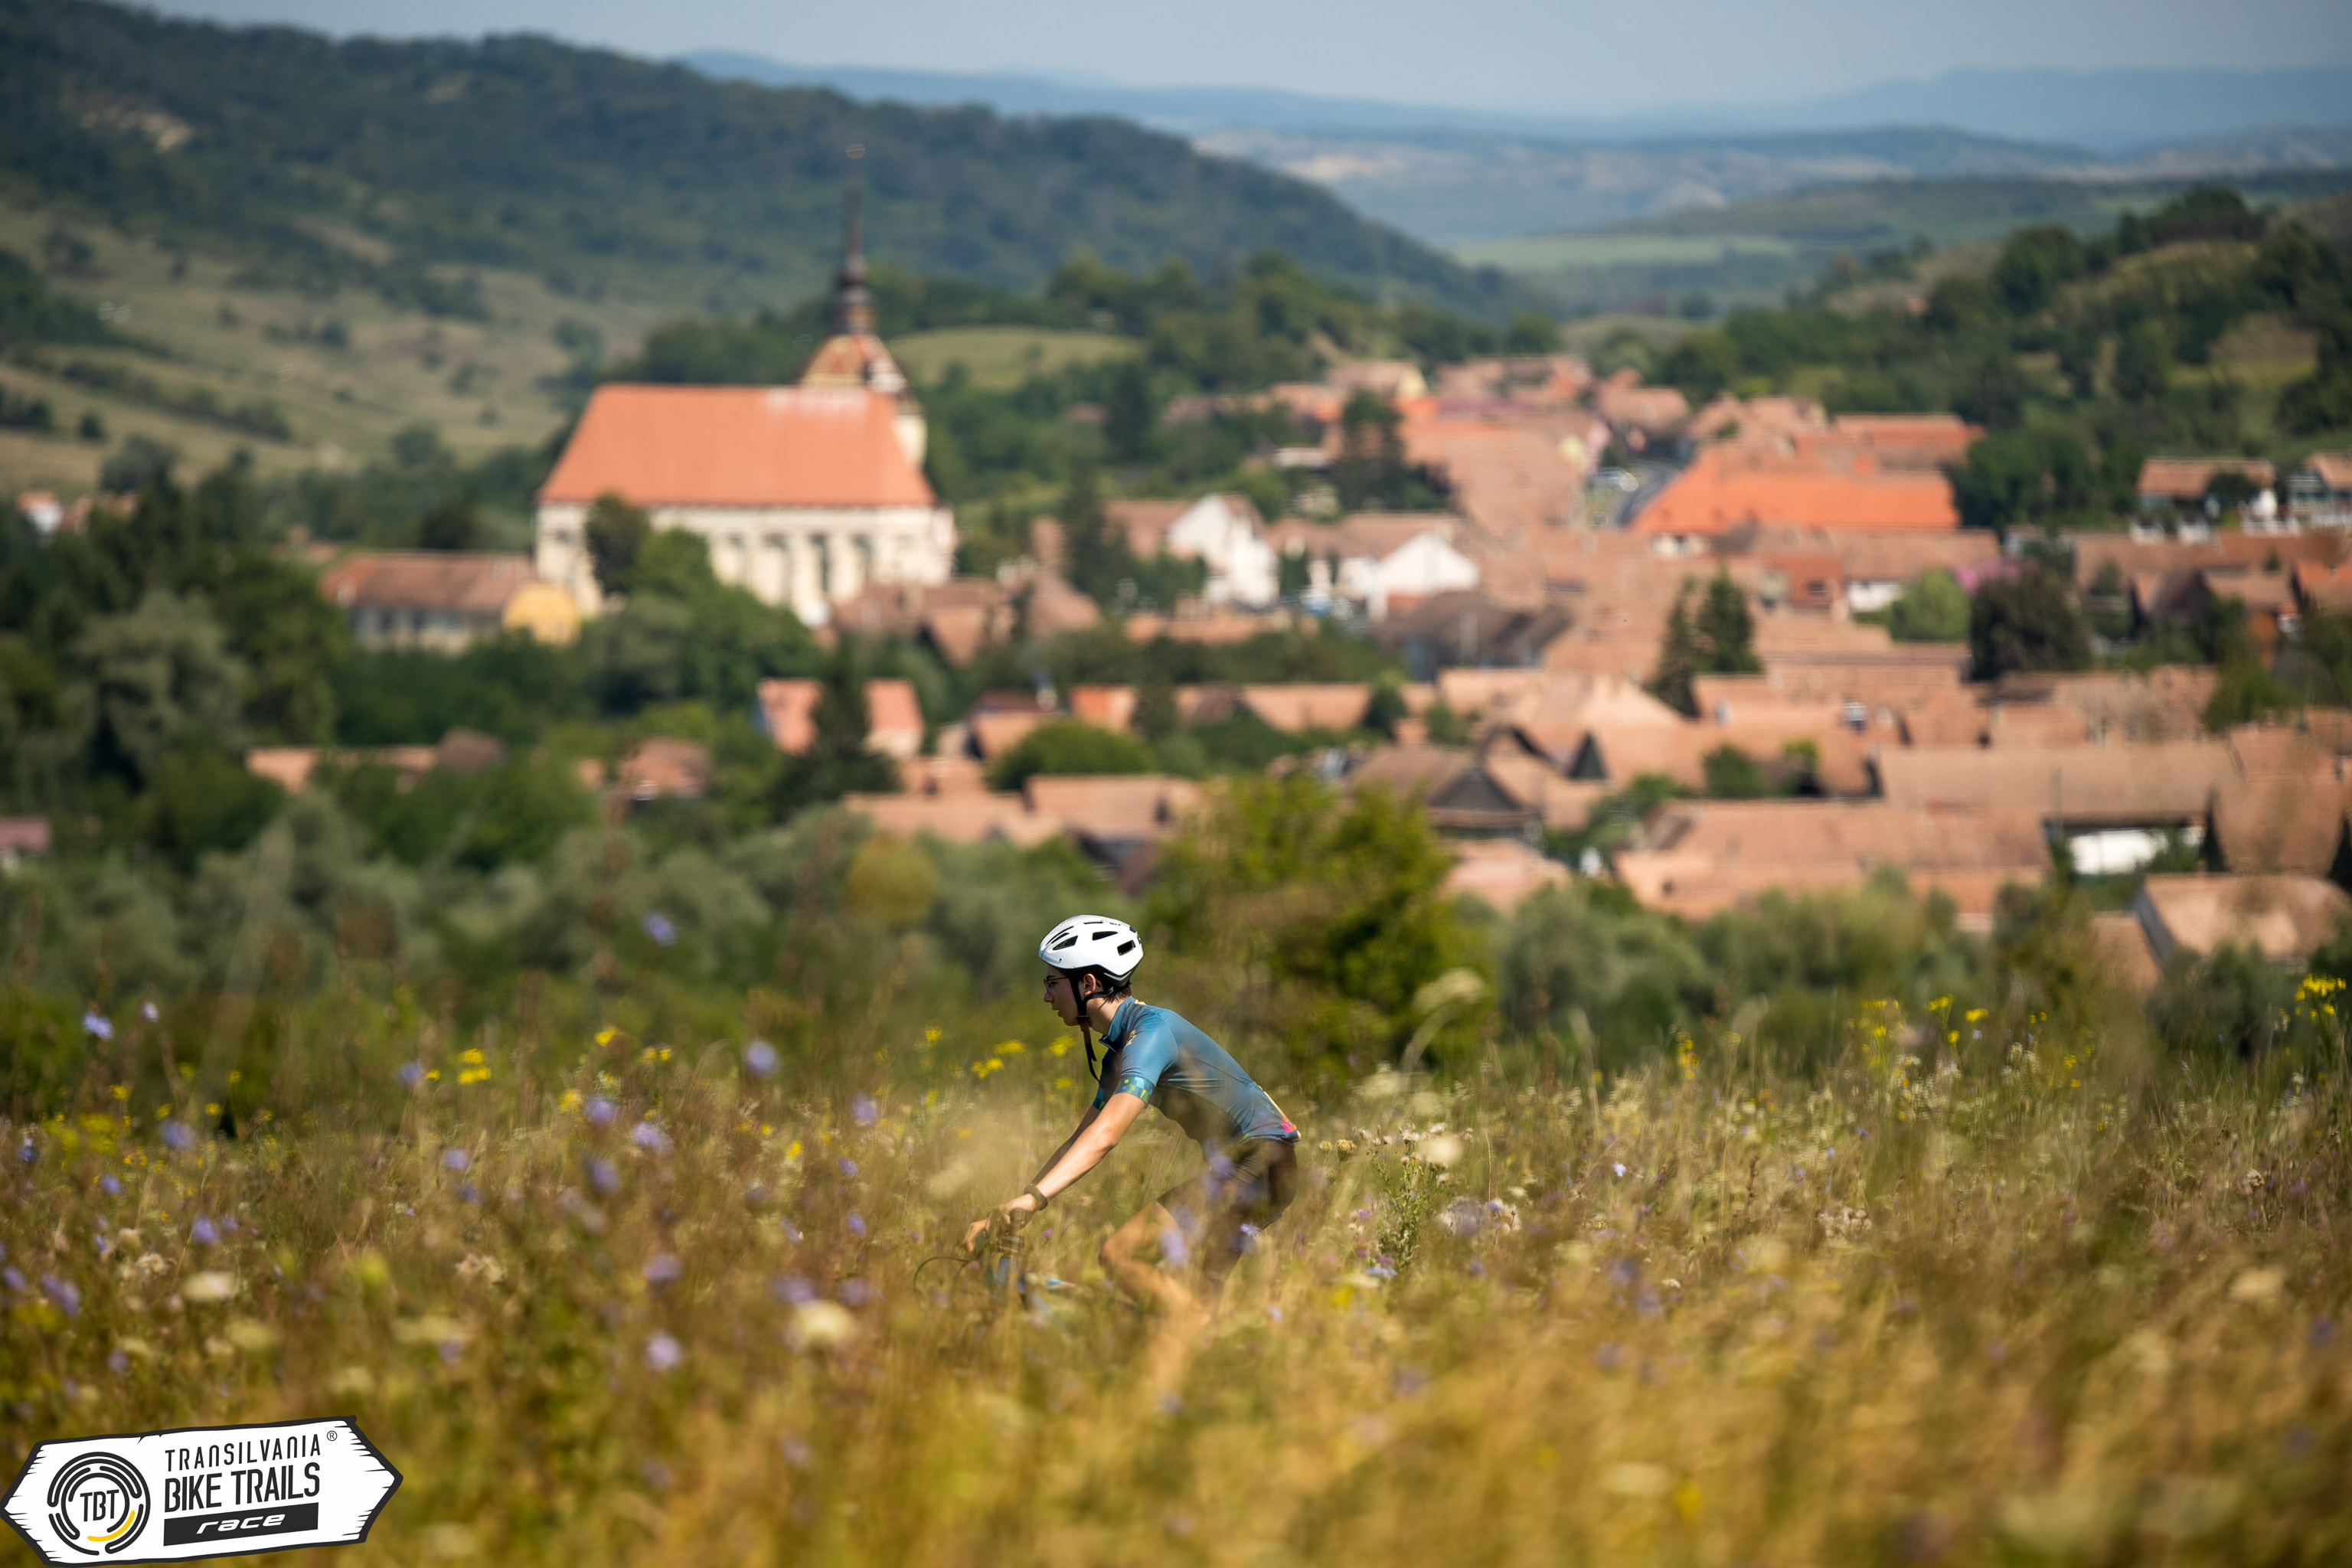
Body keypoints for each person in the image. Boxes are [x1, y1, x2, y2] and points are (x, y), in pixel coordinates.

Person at [965, 915, 1301, 1360]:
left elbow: (1106, 1136)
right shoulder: (1122, 1049)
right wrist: (1021, 1202)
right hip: (1255, 1168)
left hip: (1260, 1162)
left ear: (1087, 983)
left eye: (1052, 983)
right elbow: (1081, 1140)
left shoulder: (1152, 1033)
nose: (1046, 996)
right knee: (1174, 1313)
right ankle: (1202, 1372)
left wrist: (1033, 1200)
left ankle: (1209, 1353)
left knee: (1122, 1256)